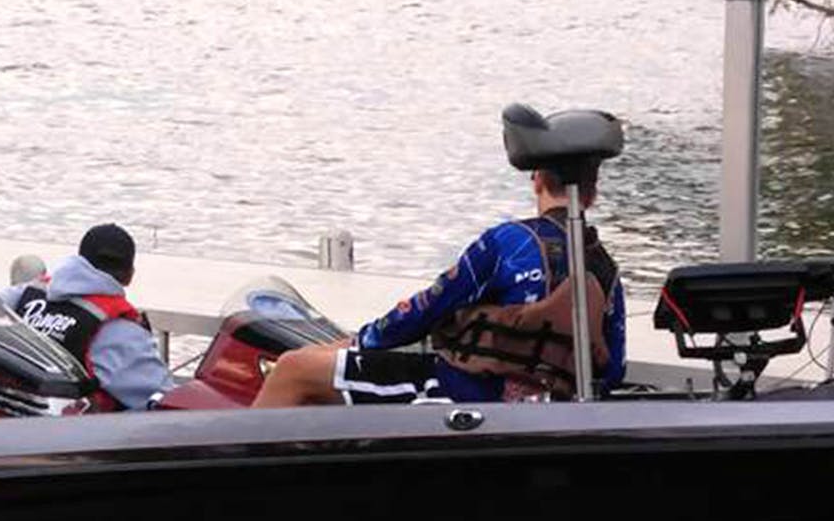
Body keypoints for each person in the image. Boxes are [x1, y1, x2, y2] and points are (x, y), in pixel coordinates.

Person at [253, 162, 627, 407]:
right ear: (591, 195)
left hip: (466, 394)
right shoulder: (606, 269)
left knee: (292, 369)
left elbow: (424, 310)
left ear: (537, 180)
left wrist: (361, 341)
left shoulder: (507, 242)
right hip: (556, 409)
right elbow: (612, 372)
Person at [0, 224, 174, 411]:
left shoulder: (23, 295)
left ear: (79, 260)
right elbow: (162, 402)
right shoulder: (119, 331)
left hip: (13, 414)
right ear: (129, 275)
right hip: (79, 435)